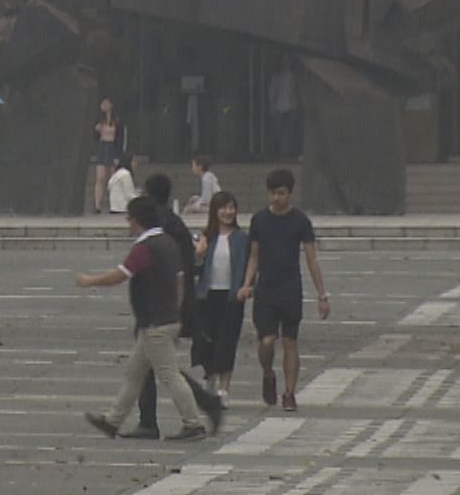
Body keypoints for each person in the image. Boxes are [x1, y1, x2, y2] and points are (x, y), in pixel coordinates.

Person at [78, 196, 211, 442]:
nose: (128, 224)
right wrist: (176, 312)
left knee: (169, 374)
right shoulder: (169, 243)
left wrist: (90, 281)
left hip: (154, 322)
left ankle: (193, 423)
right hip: (166, 319)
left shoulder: (145, 247)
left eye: (129, 219)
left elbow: (120, 275)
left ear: (136, 220)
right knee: (135, 373)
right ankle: (113, 421)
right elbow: (180, 281)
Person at [134, 174, 224, 438]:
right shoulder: (171, 222)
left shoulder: (161, 226)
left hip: (163, 306)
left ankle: (155, 421)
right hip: (169, 304)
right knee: (154, 363)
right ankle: (151, 419)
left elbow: (169, 270)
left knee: (157, 364)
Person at [237, 168, 331, 412]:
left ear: (290, 193)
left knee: (290, 341)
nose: (276, 198)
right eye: (272, 193)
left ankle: (290, 392)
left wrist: (322, 295)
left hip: (290, 288)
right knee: (266, 341)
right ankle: (268, 373)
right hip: (265, 288)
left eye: (280, 193)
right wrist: (247, 283)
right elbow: (254, 256)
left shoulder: (300, 221)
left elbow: (311, 259)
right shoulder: (259, 220)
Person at [193, 191, 250, 407]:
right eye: (223, 208)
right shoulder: (205, 236)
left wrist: (247, 287)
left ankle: (224, 389)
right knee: (206, 340)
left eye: (231, 207)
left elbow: (250, 266)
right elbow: (195, 269)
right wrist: (198, 254)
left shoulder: (242, 239)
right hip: (207, 296)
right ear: (214, 211)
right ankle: (209, 377)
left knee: (227, 341)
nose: (228, 212)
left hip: (231, 296)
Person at [91, 97, 126, 214]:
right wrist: (96, 131)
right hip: (102, 147)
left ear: (111, 105)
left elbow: (120, 138)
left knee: (113, 178)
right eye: (102, 103)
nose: (104, 105)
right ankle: (97, 205)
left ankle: (114, 205)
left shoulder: (117, 119)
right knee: (100, 177)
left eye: (106, 103)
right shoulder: (98, 119)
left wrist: (118, 155)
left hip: (112, 147)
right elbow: (94, 136)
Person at [269, 57, 299, 159]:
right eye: (284, 60)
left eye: (289, 60)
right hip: (279, 108)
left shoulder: (295, 76)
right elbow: (273, 92)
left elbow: (297, 91)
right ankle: (281, 153)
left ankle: (286, 154)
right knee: (280, 132)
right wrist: (272, 107)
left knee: (289, 132)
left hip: (292, 107)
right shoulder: (277, 76)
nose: (287, 63)